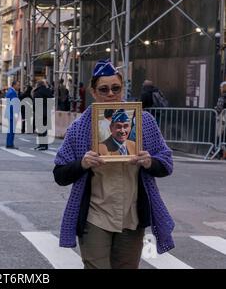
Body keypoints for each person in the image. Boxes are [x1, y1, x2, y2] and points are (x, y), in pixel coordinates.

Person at [53, 59, 175, 269]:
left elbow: (166, 162)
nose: (110, 93)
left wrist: (150, 162)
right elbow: (60, 174)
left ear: (123, 88)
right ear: (93, 91)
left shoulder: (144, 122)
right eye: (104, 89)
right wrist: (82, 164)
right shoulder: (80, 128)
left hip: (132, 217)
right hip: (96, 216)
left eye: (116, 88)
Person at [32, 80, 54, 150]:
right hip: (46, 112)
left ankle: (41, 145)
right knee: (44, 129)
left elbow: (35, 103)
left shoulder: (36, 92)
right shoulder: (48, 91)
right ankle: (45, 145)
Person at [5, 80, 21, 149]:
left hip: (10, 113)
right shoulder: (12, 92)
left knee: (11, 129)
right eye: (18, 85)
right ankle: (9, 144)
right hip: (12, 113)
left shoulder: (10, 91)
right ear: (14, 85)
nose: (19, 86)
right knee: (11, 129)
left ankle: (10, 143)